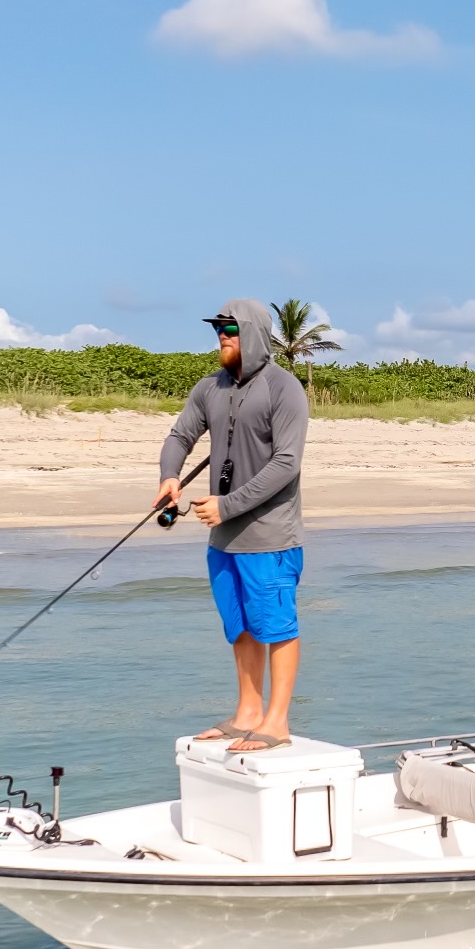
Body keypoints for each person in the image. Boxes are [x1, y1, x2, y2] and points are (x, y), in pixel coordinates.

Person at [154, 298, 310, 751]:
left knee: (276, 626)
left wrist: (227, 506)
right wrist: (169, 476)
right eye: (218, 328)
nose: (222, 335)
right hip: (223, 539)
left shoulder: (284, 388)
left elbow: (287, 463)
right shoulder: (210, 387)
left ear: (253, 332)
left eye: (231, 328)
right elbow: (180, 435)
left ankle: (277, 723)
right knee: (239, 626)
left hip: (270, 537)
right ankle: (248, 713)